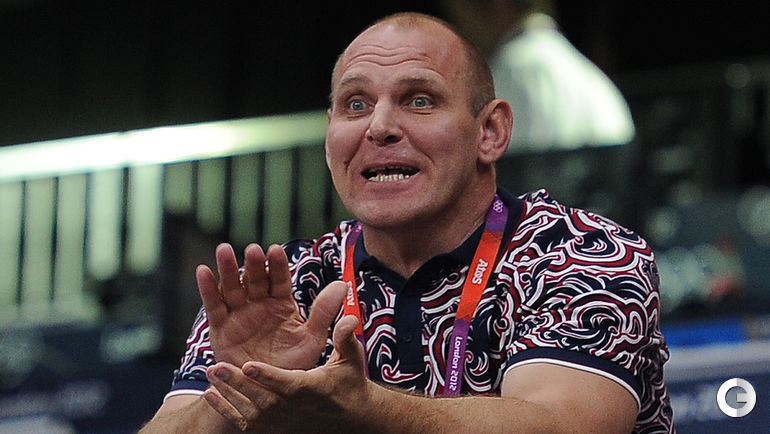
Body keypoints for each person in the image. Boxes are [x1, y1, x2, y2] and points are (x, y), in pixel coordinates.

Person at [140, 12, 673, 433]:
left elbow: (564, 424)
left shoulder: (583, 253)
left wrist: (364, 409)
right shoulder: (284, 283)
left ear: (490, 132)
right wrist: (238, 391)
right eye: (355, 104)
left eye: (419, 100)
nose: (379, 127)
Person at [443, 0, 636, 153]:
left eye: (458, 14)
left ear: (498, 4)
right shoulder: (586, 74)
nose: (460, 32)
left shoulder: (519, 69)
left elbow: (517, 180)